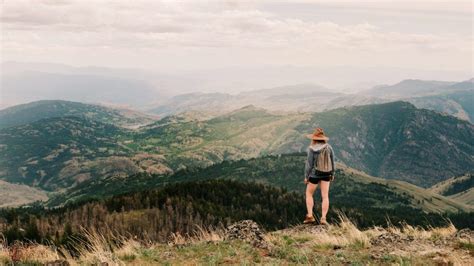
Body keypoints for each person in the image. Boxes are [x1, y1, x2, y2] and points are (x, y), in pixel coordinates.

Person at [303, 128, 335, 225]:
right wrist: (332, 174)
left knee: (309, 194)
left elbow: (309, 164)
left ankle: (310, 215)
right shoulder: (329, 148)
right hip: (326, 173)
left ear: (314, 138)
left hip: (314, 174)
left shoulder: (311, 149)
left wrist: (306, 176)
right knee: (325, 196)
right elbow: (333, 161)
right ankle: (323, 218)